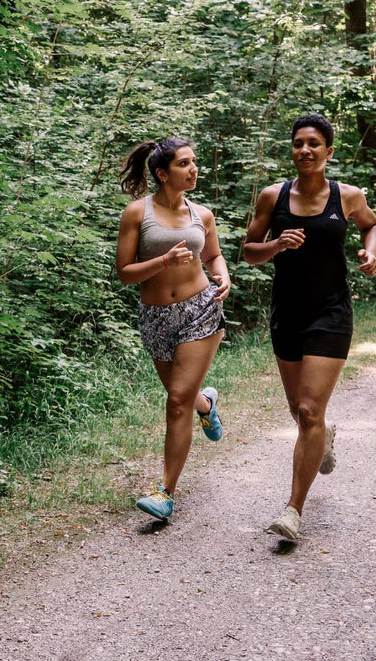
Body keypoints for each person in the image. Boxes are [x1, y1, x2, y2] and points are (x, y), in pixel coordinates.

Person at [243, 114, 376, 541]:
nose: (305, 150)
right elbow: (248, 251)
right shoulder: (273, 197)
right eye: (298, 143)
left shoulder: (348, 196)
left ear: (328, 152)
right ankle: (324, 439)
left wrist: (370, 252)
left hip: (331, 313)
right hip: (288, 313)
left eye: (314, 143)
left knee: (308, 411)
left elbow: (371, 225)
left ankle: (293, 510)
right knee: (300, 412)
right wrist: (276, 244)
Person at [115, 137, 231, 520]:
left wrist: (222, 275)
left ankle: (165, 492)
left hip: (201, 310)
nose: (194, 168)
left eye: (194, 161)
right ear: (163, 174)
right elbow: (125, 274)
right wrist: (163, 261)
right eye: (184, 163)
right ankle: (207, 403)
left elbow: (213, 254)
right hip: (156, 317)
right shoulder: (137, 213)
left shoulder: (203, 214)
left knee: (176, 401)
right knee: (184, 398)